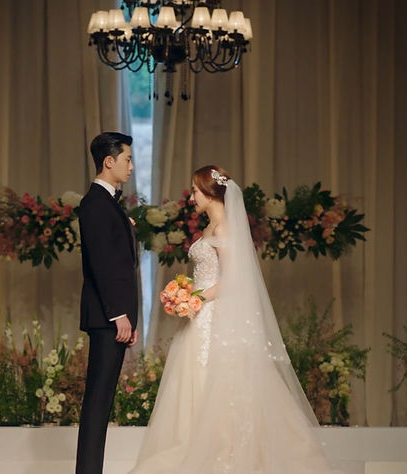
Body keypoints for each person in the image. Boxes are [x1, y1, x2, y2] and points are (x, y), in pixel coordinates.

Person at [130, 165, 337, 473]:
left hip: (215, 316)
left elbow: (232, 279)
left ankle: (225, 451)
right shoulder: (208, 229)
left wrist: (195, 297)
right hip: (199, 317)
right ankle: (198, 443)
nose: (192, 197)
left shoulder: (225, 228)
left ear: (212, 193)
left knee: (220, 382)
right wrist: (184, 292)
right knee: (196, 383)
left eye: (197, 191)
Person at [76, 132, 140, 474]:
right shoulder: (95, 204)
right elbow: (103, 264)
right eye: (127, 159)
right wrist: (119, 315)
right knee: (98, 402)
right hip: (106, 317)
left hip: (112, 317)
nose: (131, 166)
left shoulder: (109, 204)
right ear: (109, 161)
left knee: (103, 402)